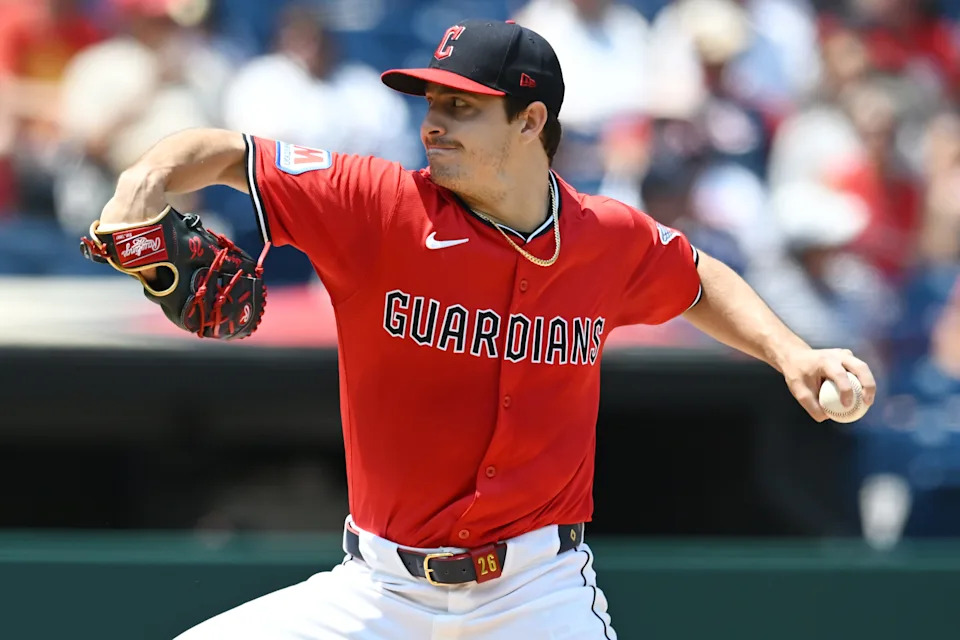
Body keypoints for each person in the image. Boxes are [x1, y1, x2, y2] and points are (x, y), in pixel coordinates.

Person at [93, 18, 877, 640]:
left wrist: (791, 352)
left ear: (531, 120)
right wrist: (137, 195)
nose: (433, 125)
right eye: (431, 104)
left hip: (537, 596)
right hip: (379, 591)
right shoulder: (377, 205)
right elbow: (219, 151)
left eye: (461, 107)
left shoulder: (605, 238)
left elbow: (696, 274)